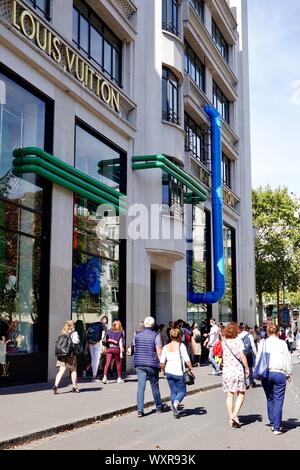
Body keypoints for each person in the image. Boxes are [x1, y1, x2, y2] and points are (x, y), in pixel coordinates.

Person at [258, 323, 292, 435]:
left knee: (269, 398)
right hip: (279, 373)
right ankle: (277, 427)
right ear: (278, 332)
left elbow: (259, 358)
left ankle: (272, 422)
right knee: (278, 400)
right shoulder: (282, 343)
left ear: (267, 332)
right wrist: (289, 372)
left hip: (266, 373)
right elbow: (287, 359)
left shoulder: (262, 343)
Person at [134, 316, 169, 417]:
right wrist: (163, 366)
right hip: (152, 364)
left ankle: (140, 410)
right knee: (154, 386)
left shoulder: (137, 335)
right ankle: (159, 406)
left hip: (139, 363)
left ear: (144, 324)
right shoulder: (156, 336)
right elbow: (159, 352)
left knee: (141, 387)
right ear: (153, 325)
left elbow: (136, 348)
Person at [160, 328, 194, 419]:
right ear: (179, 336)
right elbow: (187, 359)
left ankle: (175, 409)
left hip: (168, 372)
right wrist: (191, 368)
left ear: (170, 336)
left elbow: (162, 362)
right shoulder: (181, 346)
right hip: (178, 372)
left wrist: (163, 371)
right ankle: (175, 406)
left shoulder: (165, 347)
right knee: (182, 391)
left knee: (173, 391)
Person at [222, 322, 249, 428]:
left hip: (227, 371)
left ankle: (231, 418)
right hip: (237, 370)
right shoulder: (238, 341)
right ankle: (235, 414)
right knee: (241, 393)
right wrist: (247, 368)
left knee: (229, 394)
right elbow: (242, 356)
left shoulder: (223, 343)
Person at [53, 320, 81, 394]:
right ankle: (74, 387)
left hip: (62, 354)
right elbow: (76, 341)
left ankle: (56, 385)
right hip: (70, 355)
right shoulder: (74, 333)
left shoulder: (63, 332)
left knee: (61, 371)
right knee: (73, 370)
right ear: (73, 325)